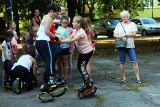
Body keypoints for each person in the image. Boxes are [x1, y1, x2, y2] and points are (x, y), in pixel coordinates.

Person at [61, 16, 94, 91]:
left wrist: (61, 41)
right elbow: (70, 38)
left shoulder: (81, 32)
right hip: (82, 52)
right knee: (79, 66)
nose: (72, 23)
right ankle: (87, 81)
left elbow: (72, 41)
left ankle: (88, 81)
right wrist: (62, 40)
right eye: (73, 22)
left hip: (87, 52)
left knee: (82, 67)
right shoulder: (75, 30)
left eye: (74, 22)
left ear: (79, 24)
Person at [35, 3, 61, 91]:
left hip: (38, 43)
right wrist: (56, 38)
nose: (57, 16)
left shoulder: (45, 17)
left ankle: (46, 81)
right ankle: (51, 80)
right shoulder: (49, 18)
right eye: (56, 13)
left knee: (48, 61)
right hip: (44, 42)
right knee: (50, 60)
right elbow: (46, 31)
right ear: (51, 12)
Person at [113, 10, 141, 84]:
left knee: (134, 61)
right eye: (122, 17)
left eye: (124, 17)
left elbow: (134, 34)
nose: (123, 18)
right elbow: (115, 34)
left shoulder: (132, 24)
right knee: (122, 62)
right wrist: (121, 37)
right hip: (121, 46)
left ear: (128, 17)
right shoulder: (119, 25)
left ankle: (138, 78)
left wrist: (125, 35)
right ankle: (123, 78)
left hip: (130, 45)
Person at [56, 16, 71, 84]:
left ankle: (65, 77)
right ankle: (60, 76)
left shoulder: (68, 30)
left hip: (65, 47)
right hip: (58, 47)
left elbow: (69, 39)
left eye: (66, 23)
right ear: (61, 22)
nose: (65, 24)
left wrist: (62, 40)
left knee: (65, 62)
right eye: (63, 22)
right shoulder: (58, 28)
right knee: (58, 62)